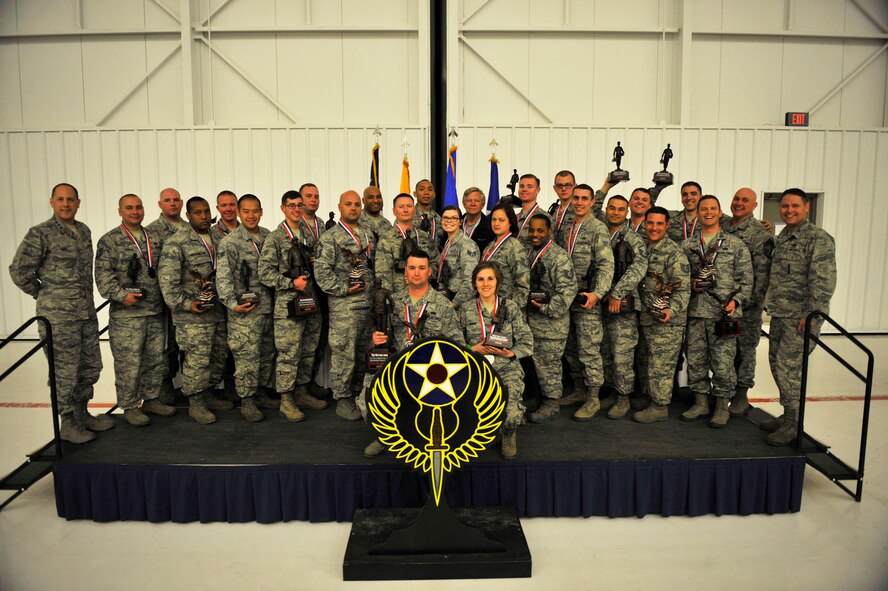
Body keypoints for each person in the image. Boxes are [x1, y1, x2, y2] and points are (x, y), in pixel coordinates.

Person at [9, 183, 112, 444]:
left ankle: (82, 414)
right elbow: (19, 271)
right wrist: (45, 295)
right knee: (65, 371)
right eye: (61, 200)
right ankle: (67, 423)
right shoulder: (40, 233)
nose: (66, 204)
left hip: (85, 313)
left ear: (78, 203)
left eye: (70, 200)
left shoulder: (84, 231)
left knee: (90, 366)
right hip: (59, 318)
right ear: (52, 202)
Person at [362, 249, 464, 457]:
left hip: (431, 371)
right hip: (397, 366)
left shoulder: (443, 305)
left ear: (429, 272)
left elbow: (457, 346)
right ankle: (385, 436)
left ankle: (422, 438)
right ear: (405, 273)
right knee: (367, 397)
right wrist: (375, 339)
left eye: (421, 268)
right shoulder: (391, 302)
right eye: (412, 268)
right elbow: (369, 338)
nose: (416, 273)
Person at [761, 188, 836, 446]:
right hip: (781, 314)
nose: (789, 211)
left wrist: (812, 314)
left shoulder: (818, 239)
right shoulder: (783, 236)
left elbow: (823, 281)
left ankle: (794, 423)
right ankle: (788, 415)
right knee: (776, 363)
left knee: (788, 367)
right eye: (785, 207)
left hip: (802, 318)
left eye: (795, 206)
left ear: (806, 207)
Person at [94, 194, 176, 427]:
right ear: (120, 211)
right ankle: (129, 406)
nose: (135, 211)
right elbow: (103, 278)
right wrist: (122, 296)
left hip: (154, 311)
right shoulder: (110, 240)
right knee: (129, 363)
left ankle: (150, 400)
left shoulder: (153, 237)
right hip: (127, 315)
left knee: (155, 360)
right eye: (129, 208)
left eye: (139, 207)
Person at [158, 196, 233, 425]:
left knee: (218, 356)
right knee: (197, 359)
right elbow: (168, 282)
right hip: (192, 315)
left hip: (217, 310)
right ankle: (196, 403)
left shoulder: (220, 238)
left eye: (206, 211)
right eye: (197, 213)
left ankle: (208, 393)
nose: (203, 216)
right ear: (188, 216)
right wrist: (186, 304)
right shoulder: (177, 242)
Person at [680, 195, 752, 428]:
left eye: (713, 208)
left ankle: (722, 405)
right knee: (696, 360)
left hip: (723, 314)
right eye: (704, 209)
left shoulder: (734, 245)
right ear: (698, 213)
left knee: (723, 362)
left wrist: (737, 301)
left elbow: (746, 280)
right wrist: (690, 284)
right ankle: (701, 402)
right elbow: (679, 279)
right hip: (696, 312)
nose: (708, 212)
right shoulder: (688, 246)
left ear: (720, 213)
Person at [258, 190, 327, 421]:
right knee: (289, 353)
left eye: (300, 205)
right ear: (283, 208)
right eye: (292, 206)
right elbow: (264, 273)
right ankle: (286, 400)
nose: (297, 209)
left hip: (311, 303)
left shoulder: (308, 233)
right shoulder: (276, 238)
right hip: (289, 307)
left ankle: (301, 391)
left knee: (308, 351)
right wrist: (290, 283)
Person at [216, 194, 282, 422]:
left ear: (262, 211)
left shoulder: (269, 237)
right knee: (247, 358)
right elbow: (223, 279)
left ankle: (261, 392)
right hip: (244, 313)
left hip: (268, 308)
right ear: (239, 213)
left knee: (266, 354)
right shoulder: (230, 242)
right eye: (246, 211)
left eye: (255, 211)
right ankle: (247, 400)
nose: (251, 215)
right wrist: (233, 305)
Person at [457, 262, 533, 459]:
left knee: (510, 409)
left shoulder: (511, 307)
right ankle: (486, 432)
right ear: (474, 283)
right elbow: (454, 343)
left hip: (507, 368)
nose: (485, 284)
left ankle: (508, 433)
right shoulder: (465, 310)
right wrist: (474, 349)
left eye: (490, 278)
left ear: (497, 282)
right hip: (476, 367)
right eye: (480, 279)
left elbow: (527, 341)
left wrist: (511, 353)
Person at [313, 190, 377, 420]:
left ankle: (360, 392)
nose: (353, 208)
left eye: (357, 204)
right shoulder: (330, 238)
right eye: (348, 204)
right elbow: (321, 272)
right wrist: (343, 289)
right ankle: (342, 397)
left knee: (364, 352)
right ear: (339, 207)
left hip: (368, 306)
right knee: (344, 353)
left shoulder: (368, 233)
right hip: (345, 307)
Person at [562, 184, 615, 419]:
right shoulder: (567, 227)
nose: (580, 202)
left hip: (587, 300)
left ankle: (594, 397)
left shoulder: (597, 228)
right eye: (576, 198)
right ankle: (579, 390)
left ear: (593, 202)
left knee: (589, 350)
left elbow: (606, 264)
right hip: (566, 299)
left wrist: (598, 294)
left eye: (585, 198)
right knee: (571, 348)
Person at [633, 207, 690, 422]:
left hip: (667, 321)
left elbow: (683, 289)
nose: (654, 228)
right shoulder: (643, 248)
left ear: (667, 225)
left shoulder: (674, 253)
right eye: (650, 223)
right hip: (647, 317)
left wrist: (671, 310)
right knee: (649, 361)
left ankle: (660, 406)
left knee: (661, 364)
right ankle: (652, 398)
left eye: (659, 224)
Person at [723, 187, 774, 416]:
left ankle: (741, 395)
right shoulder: (724, 226)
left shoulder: (760, 234)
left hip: (747, 307)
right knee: (725, 350)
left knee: (745, 350)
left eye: (745, 200)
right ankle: (725, 391)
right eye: (736, 198)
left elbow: (762, 276)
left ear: (755, 205)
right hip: (723, 304)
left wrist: (745, 304)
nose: (739, 203)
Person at [524, 215, 577, 423]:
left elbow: (567, 293)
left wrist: (544, 307)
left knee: (549, 365)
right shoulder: (529, 253)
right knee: (535, 364)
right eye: (532, 230)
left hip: (551, 324)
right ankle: (539, 398)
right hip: (532, 320)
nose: (535, 235)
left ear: (549, 232)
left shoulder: (559, 257)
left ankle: (552, 403)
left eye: (540, 231)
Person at [600, 195, 648, 419]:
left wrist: (618, 293)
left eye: (621, 209)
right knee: (606, 352)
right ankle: (611, 391)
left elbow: (639, 267)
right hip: (601, 303)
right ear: (606, 210)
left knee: (622, 354)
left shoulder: (632, 238)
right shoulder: (600, 233)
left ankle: (623, 398)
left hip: (623, 305)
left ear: (626, 212)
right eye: (613, 208)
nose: (616, 212)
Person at [146, 187, 185, 404]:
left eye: (176, 200)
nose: (172, 203)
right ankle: (165, 384)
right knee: (165, 344)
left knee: (186, 344)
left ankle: (188, 384)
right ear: (160, 204)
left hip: (190, 300)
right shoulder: (152, 232)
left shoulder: (190, 229)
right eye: (167, 200)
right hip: (164, 300)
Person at [375, 194, 438, 295]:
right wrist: (390, 299)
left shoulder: (425, 237)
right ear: (394, 211)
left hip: (425, 294)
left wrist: (423, 277)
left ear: (414, 209)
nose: (405, 210)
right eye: (401, 207)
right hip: (399, 296)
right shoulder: (386, 239)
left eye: (409, 206)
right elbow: (383, 274)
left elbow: (435, 262)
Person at [480, 203, 530, 305]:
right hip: (488, 305)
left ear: (510, 222)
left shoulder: (515, 247)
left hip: (506, 310)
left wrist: (508, 309)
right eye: (494, 219)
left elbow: (523, 288)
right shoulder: (489, 246)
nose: (496, 223)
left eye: (501, 220)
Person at [436, 205, 480, 307]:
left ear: (460, 222)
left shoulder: (466, 245)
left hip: (461, 303)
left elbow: (471, 280)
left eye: (454, 218)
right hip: (447, 297)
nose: (449, 221)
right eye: (446, 218)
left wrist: (455, 303)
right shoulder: (448, 242)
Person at [515, 174, 552, 250]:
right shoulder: (514, 217)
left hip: (534, 261)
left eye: (529, 186)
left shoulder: (545, 218)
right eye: (522, 186)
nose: (524, 189)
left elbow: (549, 247)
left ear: (538, 190)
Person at [461, 186, 494, 251]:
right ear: (464, 204)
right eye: (469, 200)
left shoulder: (490, 226)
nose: (473, 204)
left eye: (477, 201)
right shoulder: (455, 224)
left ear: (483, 204)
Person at [550, 170, 577, 246]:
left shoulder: (581, 211)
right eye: (559, 185)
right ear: (555, 188)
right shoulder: (553, 211)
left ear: (575, 186)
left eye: (568, 185)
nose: (564, 189)